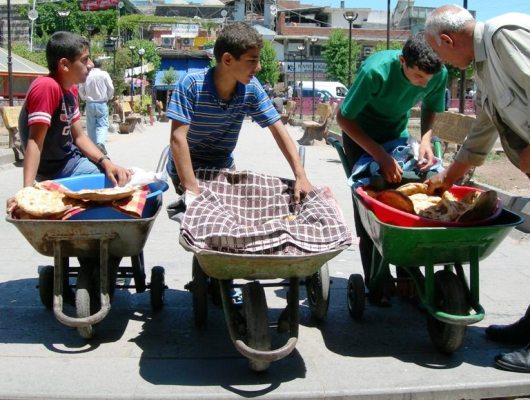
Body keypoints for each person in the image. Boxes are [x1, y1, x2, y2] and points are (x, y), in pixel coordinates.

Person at [424, 5, 530, 373]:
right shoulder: (486, 65)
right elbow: (484, 128)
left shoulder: (506, 36)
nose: (444, 61)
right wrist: (448, 179)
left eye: (439, 53)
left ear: (448, 40)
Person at [337, 33, 447, 305]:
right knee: (371, 203)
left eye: (429, 79)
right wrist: (380, 156)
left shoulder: (437, 72)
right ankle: (378, 282)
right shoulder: (375, 71)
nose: (424, 84)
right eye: (418, 76)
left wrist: (424, 140)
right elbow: (344, 118)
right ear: (402, 62)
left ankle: (408, 275)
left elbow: (432, 106)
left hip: (395, 134)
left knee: (405, 201)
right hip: (360, 136)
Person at [79, 59, 114, 155]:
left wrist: (84, 98)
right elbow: (111, 88)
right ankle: (100, 143)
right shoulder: (104, 74)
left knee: (91, 126)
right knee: (102, 124)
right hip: (101, 103)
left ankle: (93, 147)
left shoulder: (87, 74)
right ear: (101, 65)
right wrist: (108, 97)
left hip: (89, 103)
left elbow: (81, 88)